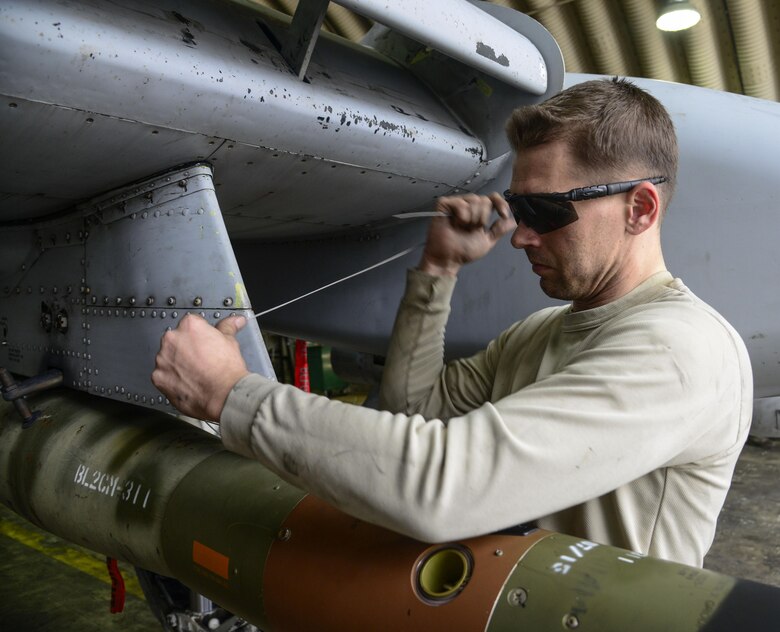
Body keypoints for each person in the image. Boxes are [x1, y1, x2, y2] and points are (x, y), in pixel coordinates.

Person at [152, 77, 752, 567]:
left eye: (545, 210)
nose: (521, 235)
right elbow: (409, 412)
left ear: (639, 208)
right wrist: (438, 270)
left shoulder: (680, 350)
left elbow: (445, 486)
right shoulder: (541, 332)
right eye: (519, 209)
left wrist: (232, 395)